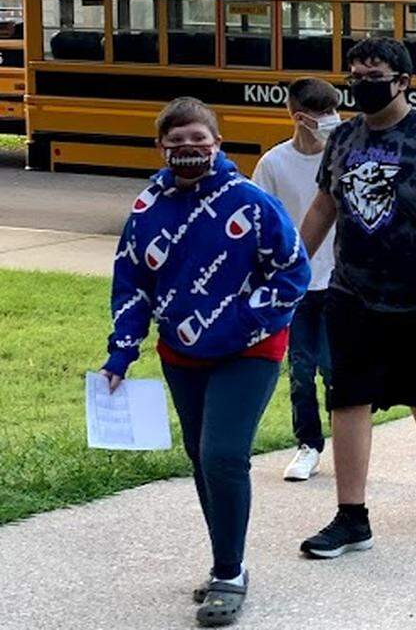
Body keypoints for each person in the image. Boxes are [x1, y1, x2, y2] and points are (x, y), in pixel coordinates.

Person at [101, 97, 310, 627]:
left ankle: (230, 574)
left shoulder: (252, 203)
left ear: (218, 143)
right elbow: (131, 282)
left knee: (222, 454)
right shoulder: (147, 209)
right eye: (177, 143)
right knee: (200, 456)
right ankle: (224, 562)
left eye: (199, 140)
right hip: (181, 351)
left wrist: (242, 318)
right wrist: (121, 351)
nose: (189, 150)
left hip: (250, 349)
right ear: (161, 148)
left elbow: (292, 272)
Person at [297, 36, 416, 559]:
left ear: (402, 81)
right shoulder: (344, 139)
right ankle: (352, 517)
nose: (360, 83)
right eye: (354, 74)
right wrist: (290, 266)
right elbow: (323, 208)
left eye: (373, 73)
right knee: (347, 396)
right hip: (352, 293)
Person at [252, 77, 342, 482]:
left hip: (340, 281)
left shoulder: (341, 158)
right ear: (299, 117)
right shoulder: (274, 164)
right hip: (296, 285)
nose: (331, 121)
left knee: (336, 369)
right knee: (302, 368)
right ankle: (308, 445)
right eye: (322, 115)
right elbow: (259, 223)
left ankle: (348, 444)